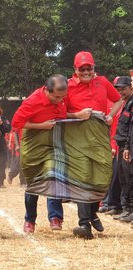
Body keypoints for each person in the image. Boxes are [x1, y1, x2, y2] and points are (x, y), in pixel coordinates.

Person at [65, 51, 121, 239]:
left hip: (99, 137)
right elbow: (60, 111)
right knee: (83, 179)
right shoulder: (68, 86)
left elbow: (119, 99)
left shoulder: (103, 82)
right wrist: (77, 115)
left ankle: (92, 213)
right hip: (77, 138)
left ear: (93, 68)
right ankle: (84, 225)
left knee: (100, 178)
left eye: (89, 68)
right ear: (75, 70)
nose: (86, 72)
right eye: (82, 69)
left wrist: (111, 116)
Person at [11, 74, 68, 233]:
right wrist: (41, 125)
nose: (60, 100)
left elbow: (64, 115)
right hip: (33, 143)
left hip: (52, 142)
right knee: (34, 184)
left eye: (63, 97)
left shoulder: (61, 97)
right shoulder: (32, 101)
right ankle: (30, 220)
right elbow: (17, 123)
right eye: (56, 97)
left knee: (54, 176)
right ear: (47, 90)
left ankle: (55, 217)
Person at [112, 76, 133, 222]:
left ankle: (130, 209)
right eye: (119, 90)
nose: (121, 92)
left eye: (123, 89)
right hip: (121, 146)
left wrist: (127, 147)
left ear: (130, 87)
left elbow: (130, 129)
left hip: (128, 146)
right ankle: (126, 209)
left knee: (130, 179)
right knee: (123, 179)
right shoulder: (125, 104)